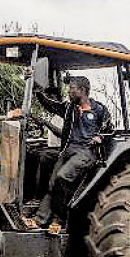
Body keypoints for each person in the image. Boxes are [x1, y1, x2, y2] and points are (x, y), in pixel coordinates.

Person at [23, 74, 113, 233]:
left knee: (62, 177)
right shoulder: (69, 107)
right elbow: (48, 104)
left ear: (82, 90)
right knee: (52, 185)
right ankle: (39, 219)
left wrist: (100, 137)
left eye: (72, 89)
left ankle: (60, 220)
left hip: (85, 153)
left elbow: (109, 128)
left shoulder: (99, 109)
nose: (68, 92)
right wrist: (36, 88)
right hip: (67, 150)